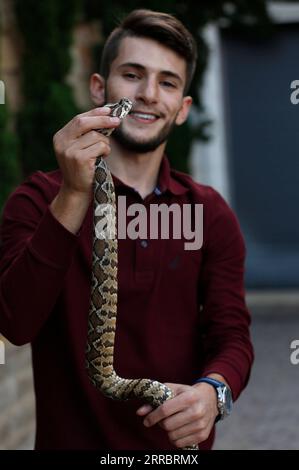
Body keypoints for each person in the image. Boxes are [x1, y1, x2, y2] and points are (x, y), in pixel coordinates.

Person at [0, 9, 253, 450]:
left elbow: (231, 334)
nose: (148, 94)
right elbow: (15, 323)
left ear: (181, 110)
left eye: (168, 82)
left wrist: (214, 393)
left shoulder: (210, 213)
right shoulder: (39, 199)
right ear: (100, 88)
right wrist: (74, 196)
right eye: (132, 75)